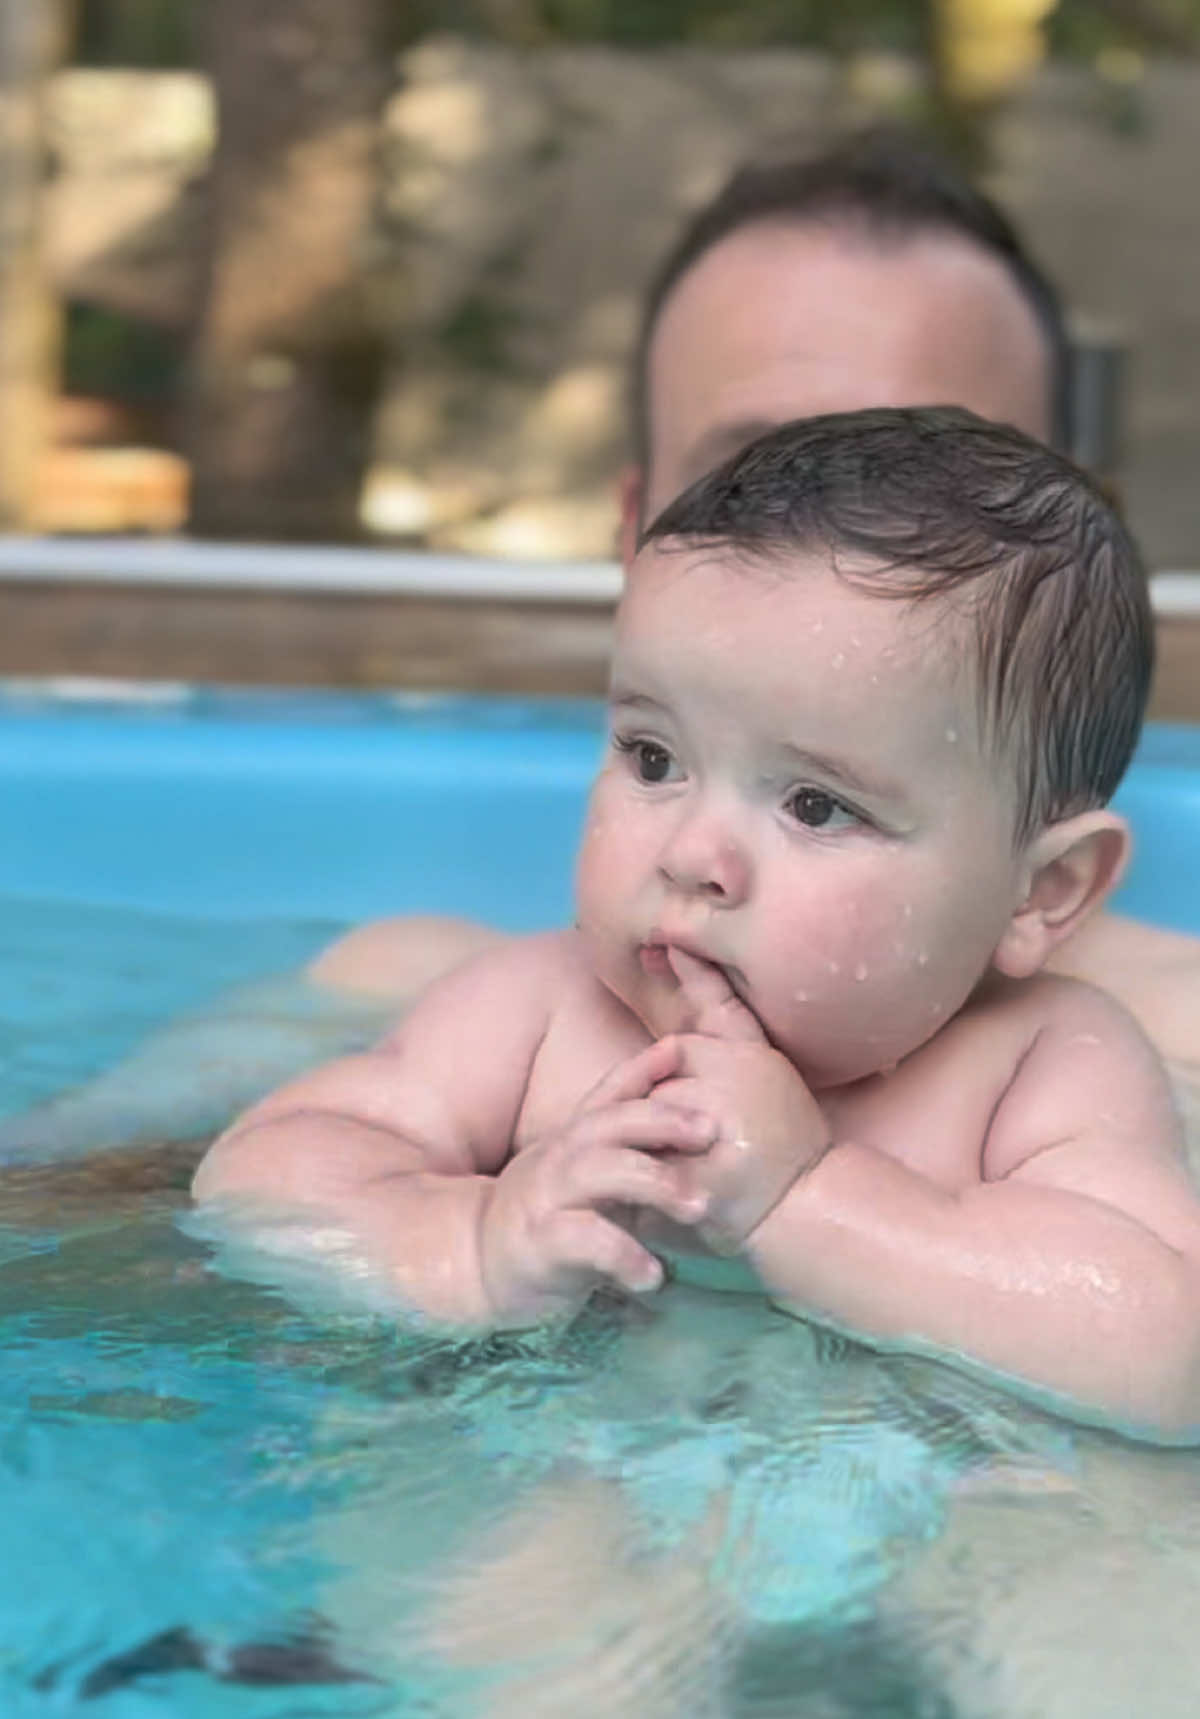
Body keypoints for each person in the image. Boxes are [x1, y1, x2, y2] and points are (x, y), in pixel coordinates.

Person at [6, 126, 1200, 1170]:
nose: (835, 562)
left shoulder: (1150, 1057)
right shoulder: (414, 999)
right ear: (638, 539)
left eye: (931, 486)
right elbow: (71, 1222)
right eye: (761, 477)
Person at [195, 405, 1200, 1442]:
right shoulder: (537, 1015)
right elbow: (256, 1179)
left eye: (816, 805)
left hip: (912, 1503)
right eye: (652, 758)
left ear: (1044, 892)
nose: (689, 855)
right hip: (571, 1464)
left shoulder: (1041, 1068)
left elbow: (1170, 1354)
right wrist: (464, 1242)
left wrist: (807, 1202)